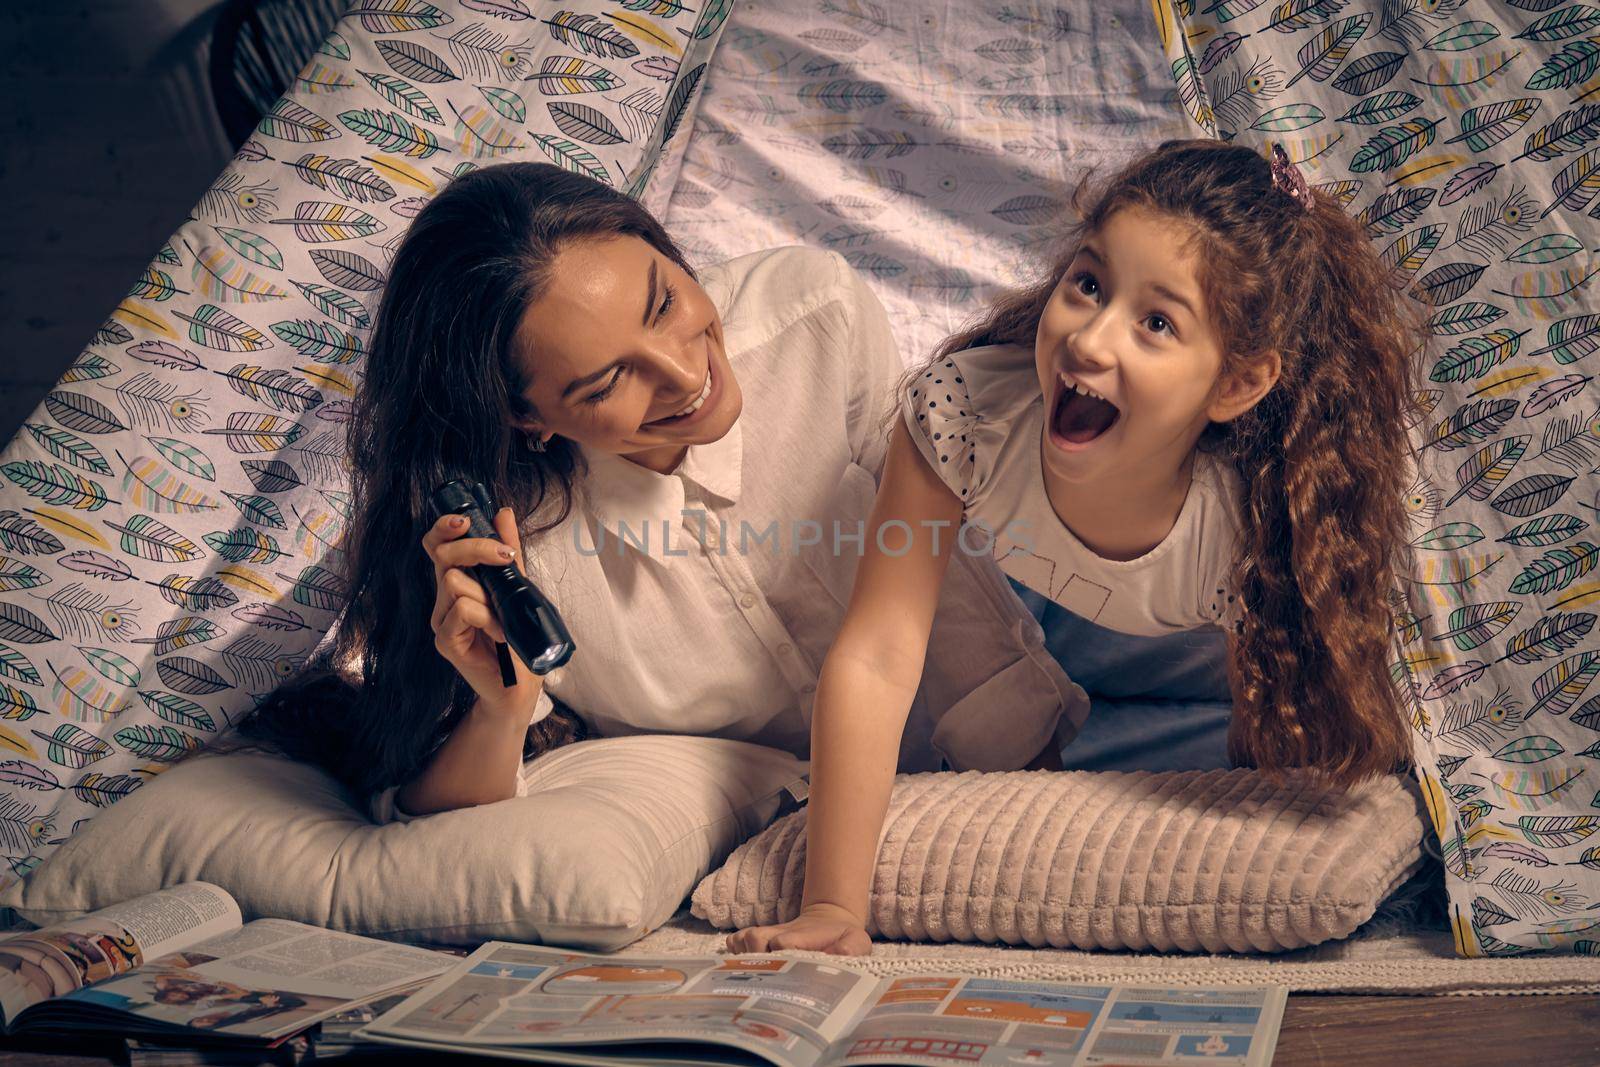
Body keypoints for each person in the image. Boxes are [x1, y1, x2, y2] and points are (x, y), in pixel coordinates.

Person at [730, 139, 1423, 955]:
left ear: (1235, 384)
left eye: (1157, 322)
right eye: (1089, 284)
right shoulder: (965, 416)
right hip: (1042, 594)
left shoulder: (1254, 521)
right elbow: (879, 650)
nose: (1091, 341)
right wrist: (833, 907)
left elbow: (1269, 739)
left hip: (1195, 627)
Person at [237, 162, 1086, 818]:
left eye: (664, 300)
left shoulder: (812, 314)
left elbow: (943, 592)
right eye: (607, 383)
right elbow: (429, 814)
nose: (686, 374)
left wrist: (1033, 803)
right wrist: (503, 712)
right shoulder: (514, 539)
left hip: (977, 747)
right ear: (529, 419)